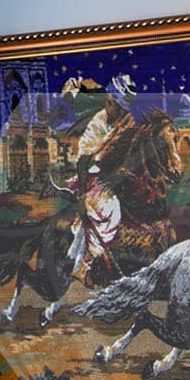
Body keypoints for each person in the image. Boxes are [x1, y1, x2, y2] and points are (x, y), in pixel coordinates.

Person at [65, 74, 137, 284]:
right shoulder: (98, 122)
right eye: (111, 103)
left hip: (120, 176)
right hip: (93, 178)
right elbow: (83, 161)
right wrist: (82, 196)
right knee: (110, 209)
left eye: (117, 106)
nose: (112, 107)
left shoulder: (127, 121)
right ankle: (84, 265)